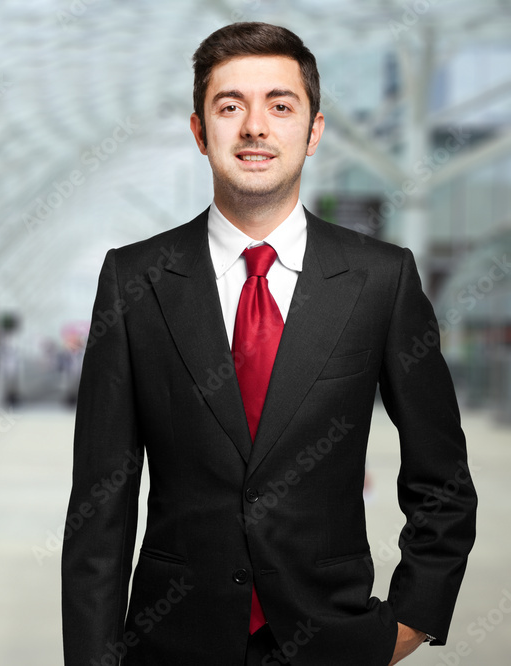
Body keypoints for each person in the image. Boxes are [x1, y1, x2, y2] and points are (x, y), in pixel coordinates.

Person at [61, 22, 477, 666]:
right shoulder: (133, 278)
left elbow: (442, 476)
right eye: (230, 107)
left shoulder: (380, 279)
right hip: (173, 641)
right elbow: (100, 500)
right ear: (200, 132)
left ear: (312, 133)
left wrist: (412, 620)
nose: (255, 127)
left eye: (280, 106)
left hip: (332, 639)